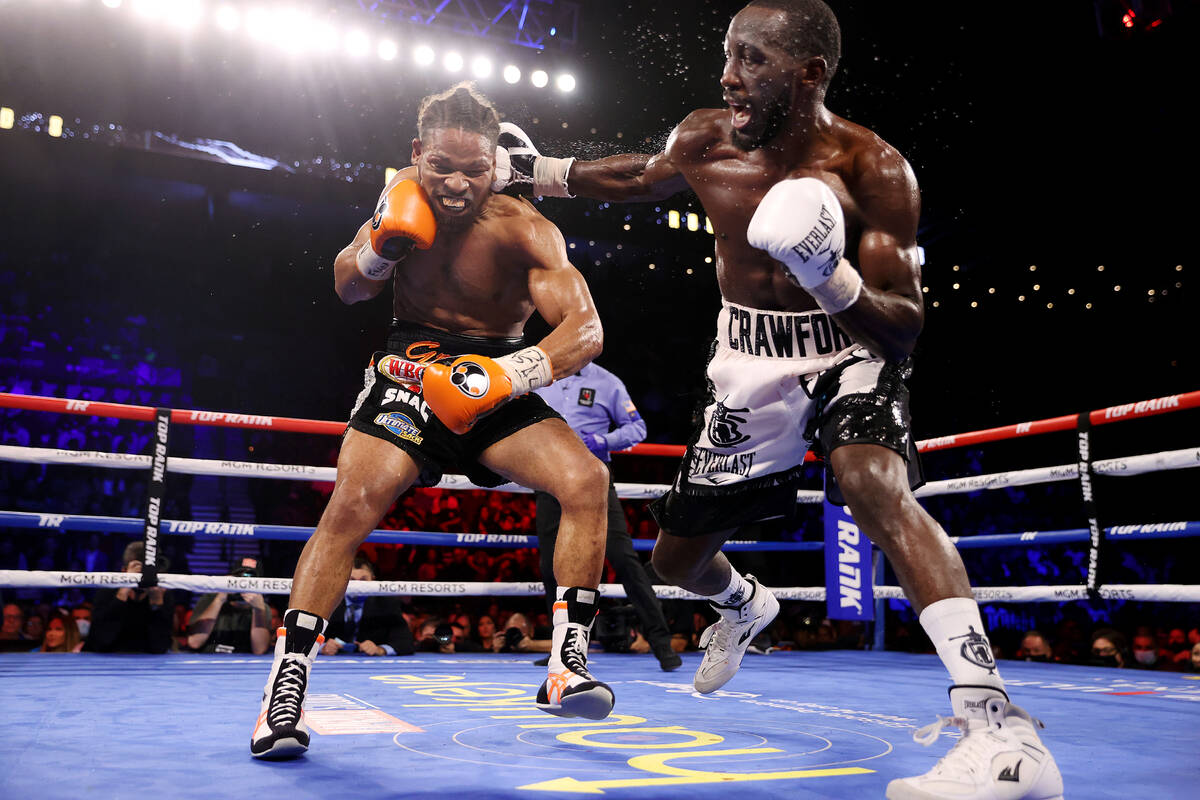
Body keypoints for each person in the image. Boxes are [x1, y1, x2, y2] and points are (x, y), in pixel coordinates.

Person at [493, 2, 1062, 796]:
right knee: (675, 559)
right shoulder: (706, 135)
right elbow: (638, 175)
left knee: (868, 481)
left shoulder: (875, 170)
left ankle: (999, 731)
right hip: (749, 358)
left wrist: (830, 275)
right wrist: (534, 172)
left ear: (810, 73)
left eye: (752, 60)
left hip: (850, 347)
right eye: (729, 55)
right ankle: (745, 603)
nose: (729, 75)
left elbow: (903, 327)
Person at [251, 83, 616, 760]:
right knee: (354, 501)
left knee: (586, 481)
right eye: (442, 166)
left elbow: (585, 330)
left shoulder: (523, 228)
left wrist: (504, 377)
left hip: (497, 375)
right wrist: (381, 251)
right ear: (417, 153)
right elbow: (347, 285)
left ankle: (566, 665)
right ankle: (285, 689)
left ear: (495, 165)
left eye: (475, 170)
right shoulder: (399, 205)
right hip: (412, 371)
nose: (456, 184)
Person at [533, 362, 681, 671]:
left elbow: (637, 427)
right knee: (550, 564)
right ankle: (561, 645)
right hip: (548, 475)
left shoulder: (607, 381)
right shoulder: (540, 377)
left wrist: (603, 442)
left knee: (622, 558)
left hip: (593, 476)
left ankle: (662, 644)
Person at [85, 542, 173, 654]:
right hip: (104, 661)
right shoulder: (106, 593)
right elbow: (100, 642)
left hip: (147, 665)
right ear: (124, 571)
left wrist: (156, 605)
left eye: (151, 573)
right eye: (141, 573)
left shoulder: (163, 596)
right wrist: (123, 591)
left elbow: (160, 647)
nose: (146, 578)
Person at [320, 555, 414, 657]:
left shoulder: (387, 603)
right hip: (333, 663)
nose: (358, 586)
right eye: (352, 580)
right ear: (342, 581)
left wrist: (381, 649)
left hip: (373, 665)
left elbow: (406, 642)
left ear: (372, 581)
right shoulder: (326, 603)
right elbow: (305, 635)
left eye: (363, 580)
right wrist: (321, 647)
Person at [187, 557, 273, 655]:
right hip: (209, 658)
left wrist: (258, 609)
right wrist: (219, 599)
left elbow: (259, 650)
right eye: (239, 578)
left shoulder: (262, 607)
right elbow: (194, 642)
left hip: (243, 664)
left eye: (251, 580)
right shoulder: (210, 599)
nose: (244, 584)